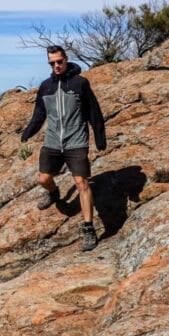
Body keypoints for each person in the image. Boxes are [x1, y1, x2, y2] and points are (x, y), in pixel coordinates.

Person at [20, 45, 106, 251]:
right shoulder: (46, 86)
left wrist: (100, 138)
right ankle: (53, 193)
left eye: (59, 61)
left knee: (81, 183)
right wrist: (29, 131)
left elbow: (94, 112)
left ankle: (88, 228)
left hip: (76, 140)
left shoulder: (80, 83)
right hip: (52, 142)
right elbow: (39, 113)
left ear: (66, 59)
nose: (56, 66)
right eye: (52, 63)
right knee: (43, 179)